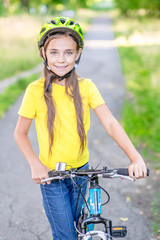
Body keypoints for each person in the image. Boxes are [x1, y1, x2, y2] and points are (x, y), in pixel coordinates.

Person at [14, 16, 147, 240]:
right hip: (52, 176)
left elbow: (111, 123)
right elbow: (20, 133)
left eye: (68, 52)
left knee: (78, 228)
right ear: (43, 53)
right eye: (54, 52)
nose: (61, 59)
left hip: (82, 173)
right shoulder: (35, 91)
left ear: (78, 54)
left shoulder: (86, 87)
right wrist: (36, 165)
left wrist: (135, 157)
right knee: (65, 235)